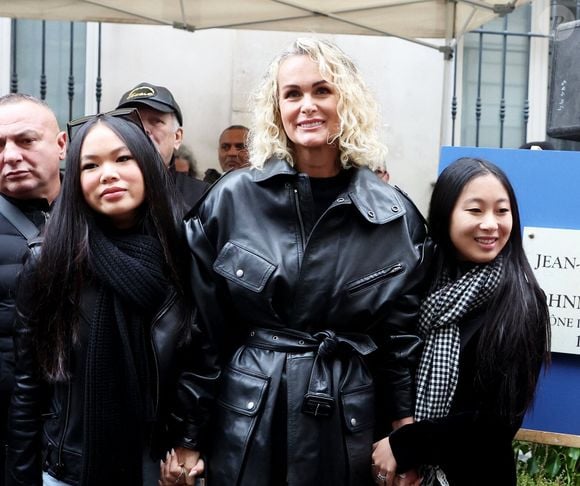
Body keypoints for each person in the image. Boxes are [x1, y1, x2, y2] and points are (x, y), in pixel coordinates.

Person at [177, 38, 432, 486]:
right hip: (250, 414)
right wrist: (188, 436)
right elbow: (203, 333)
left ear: (346, 100)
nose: (306, 106)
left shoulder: (395, 216)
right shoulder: (233, 200)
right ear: (276, 109)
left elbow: (401, 342)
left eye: (322, 90)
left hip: (345, 418)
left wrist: (404, 436)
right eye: (291, 94)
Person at [6, 109, 218, 486]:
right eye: (90, 166)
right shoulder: (49, 260)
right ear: (76, 180)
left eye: (124, 159)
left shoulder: (185, 253)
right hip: (68, 469)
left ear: (149, 167)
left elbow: (202, 360)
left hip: (158, 467)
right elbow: (29, 386)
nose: (108, 174)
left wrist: (188, 444)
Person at [372, 157, 550, 486]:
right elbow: (385, 367)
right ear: (445, 214)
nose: (491, 224)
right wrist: (395, 452)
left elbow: (498, 423)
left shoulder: (522, 302)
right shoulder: (413, 282)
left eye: (501, 210)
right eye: (475, 210)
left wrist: (406, 446)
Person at [0, 93, 65, 485]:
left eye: (25, 141)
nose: (10, 155)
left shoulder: (103, 219)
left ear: (61, 146)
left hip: (75, 437)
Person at [117, 82, 208, 210]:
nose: (144, 130)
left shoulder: (201, 197)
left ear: (177, 137)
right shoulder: (106, 191)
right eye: (132, 123)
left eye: (156, 121)